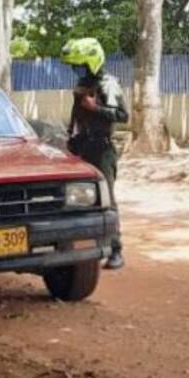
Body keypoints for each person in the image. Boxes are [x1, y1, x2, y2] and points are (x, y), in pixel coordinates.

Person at [61, 37, 128, 270]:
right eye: (75, 66)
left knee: (107, 199)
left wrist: (95, 108)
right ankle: (91, 247)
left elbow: (122, 115)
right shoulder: (81, 84)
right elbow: (76, 114)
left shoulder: (108, 84)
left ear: (92, 62)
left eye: (80, 66)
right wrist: (70, 136)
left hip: (102, 149)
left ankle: (116, 250)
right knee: (81, 199)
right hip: (83, 147)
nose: (77, 70)